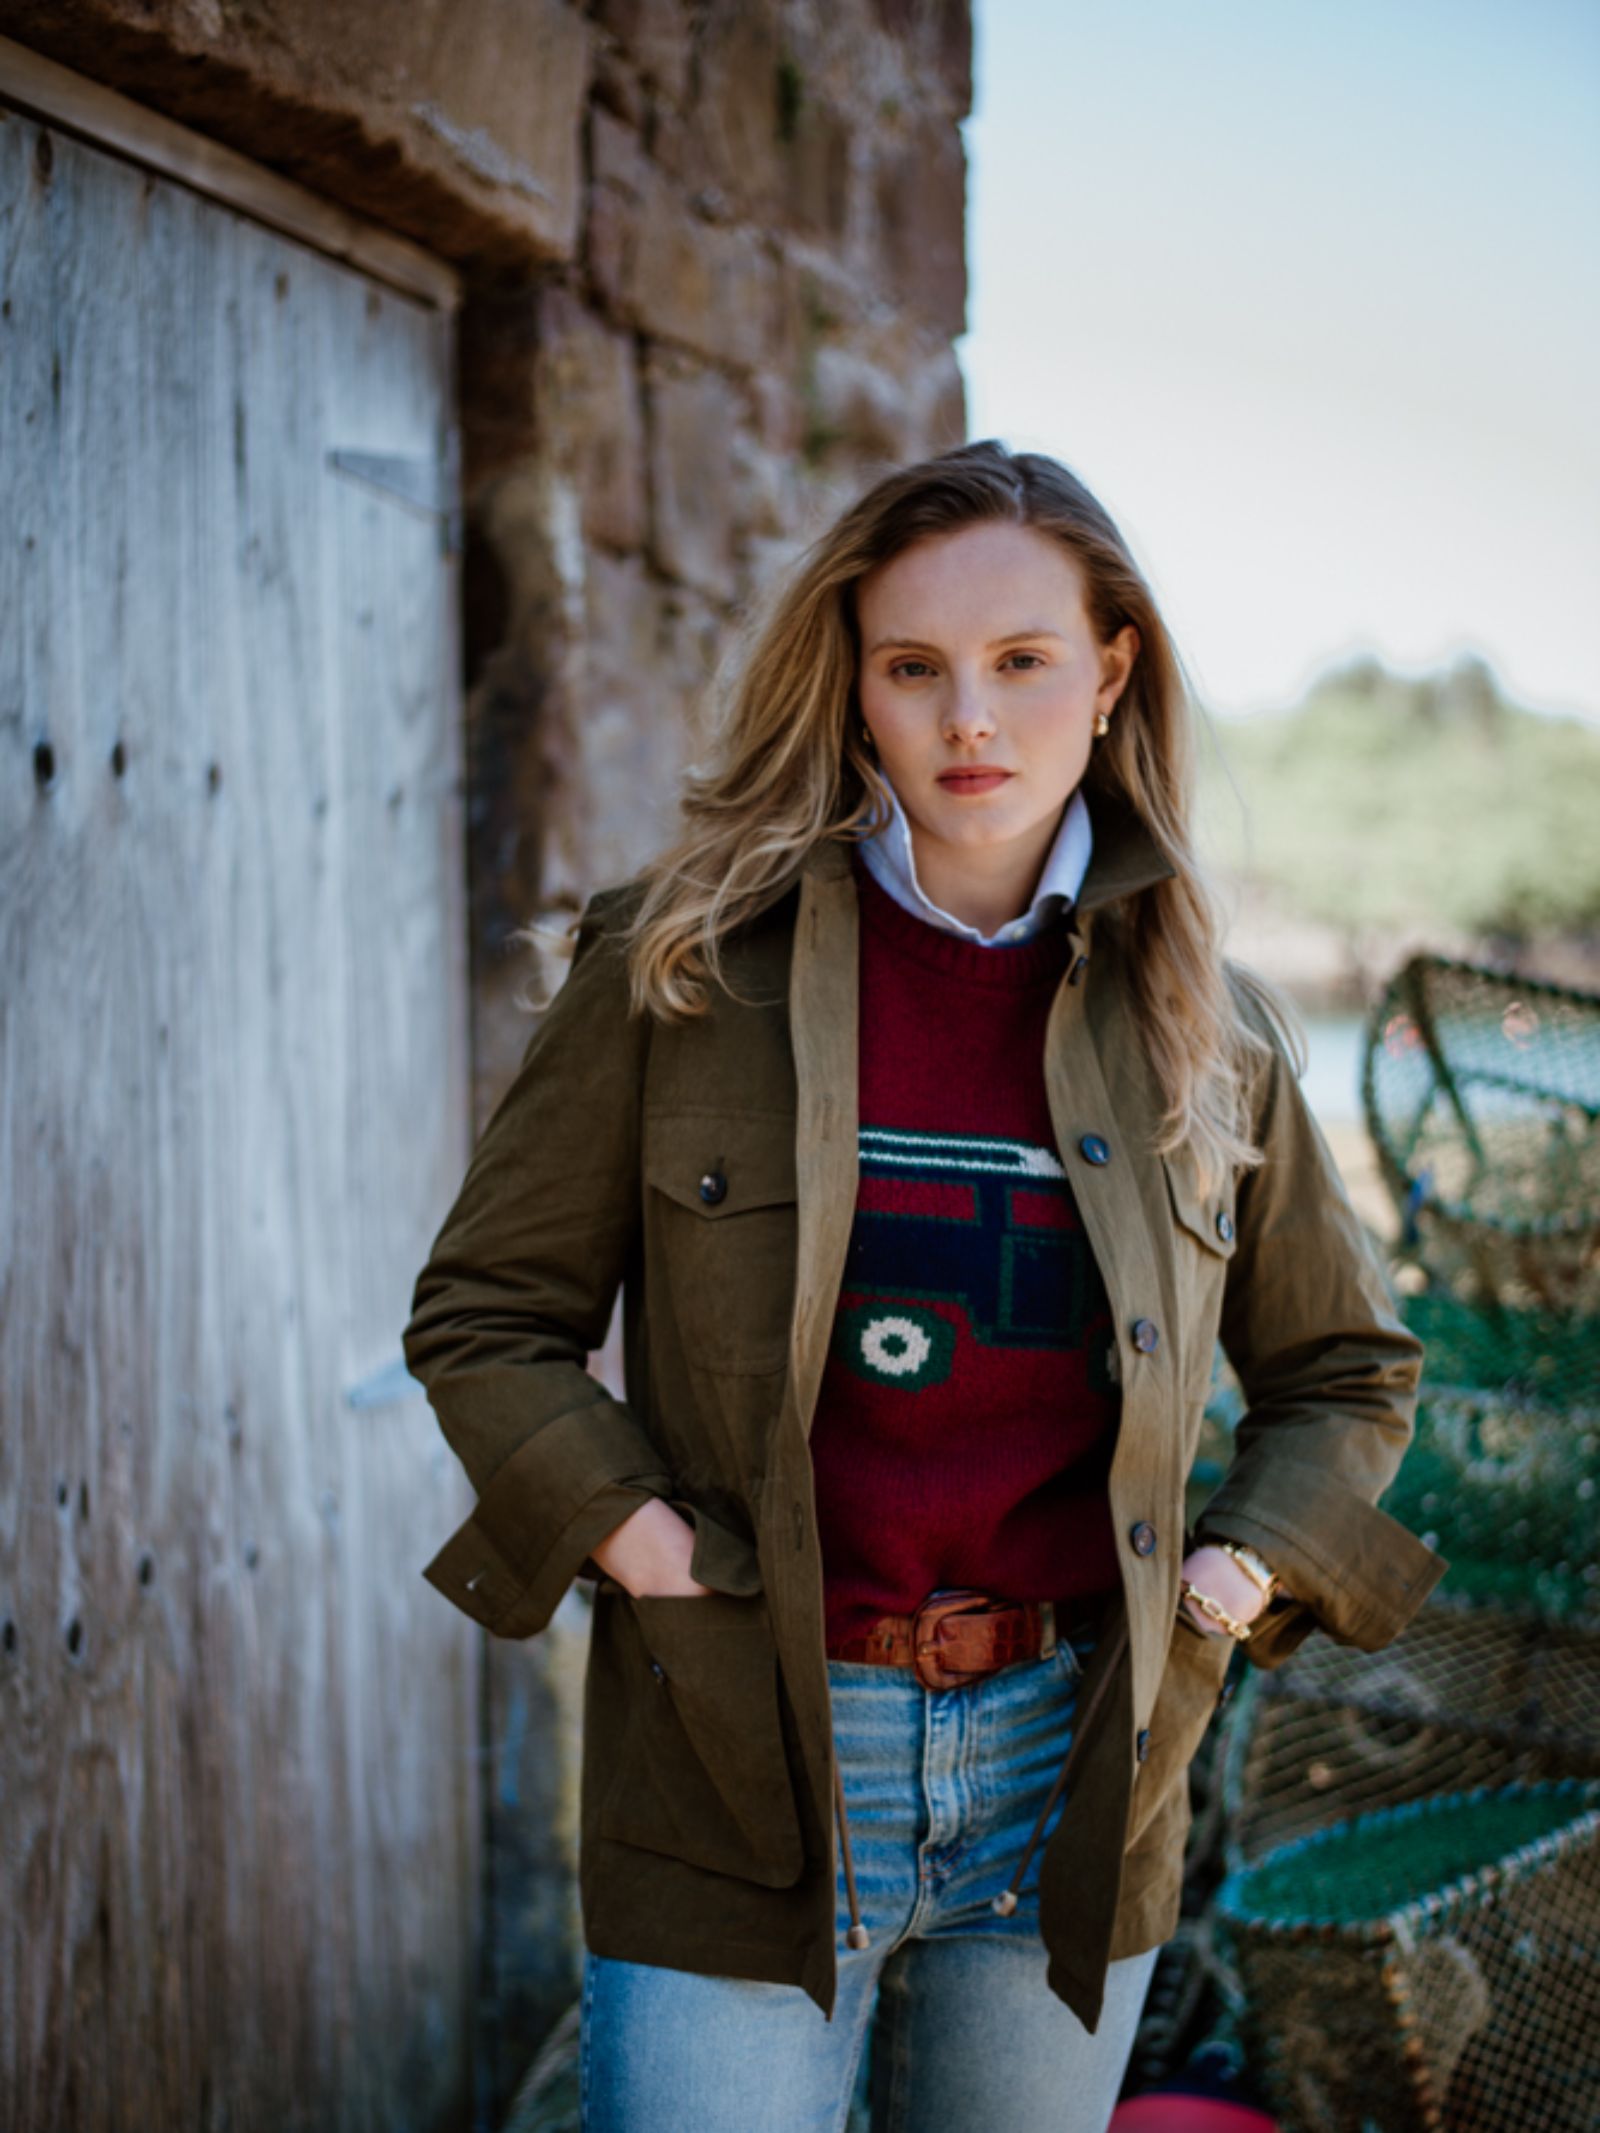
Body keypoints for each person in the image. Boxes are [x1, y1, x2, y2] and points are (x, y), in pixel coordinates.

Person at [401, 439, 1447, 2133]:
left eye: (1023, 661)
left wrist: (1233, 1580)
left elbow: (1345, 1365)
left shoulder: (1214, 1025)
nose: (973, 717)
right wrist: (648, 1555)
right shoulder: (678, 964)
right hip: (741, 1752)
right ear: (858, 690)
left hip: (1072, 1768)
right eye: (916, 668)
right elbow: (484, 1318)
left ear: (1108, 675)